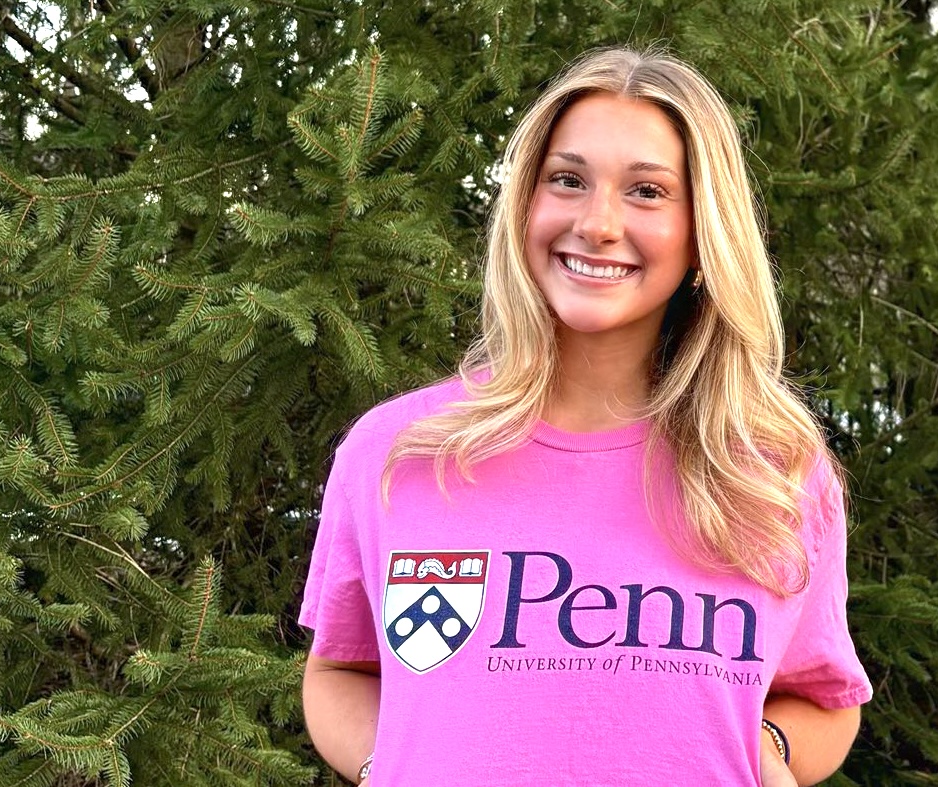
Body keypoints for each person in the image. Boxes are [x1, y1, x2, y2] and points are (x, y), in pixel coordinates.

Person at [298, 46, 872, 786]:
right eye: (567, 180)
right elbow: (340, 669)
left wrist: (769, 749)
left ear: (703, 234)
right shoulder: (397, 453)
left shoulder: (773, 471)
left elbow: (823, 697)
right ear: (526, 205)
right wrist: (393, 763)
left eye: (647, 191)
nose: (598, 223)